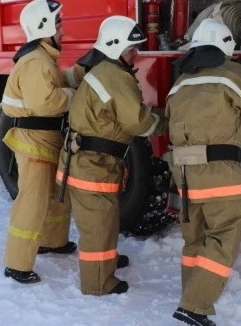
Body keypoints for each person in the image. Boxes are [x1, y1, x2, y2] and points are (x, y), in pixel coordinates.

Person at [166, 19, 241, 325]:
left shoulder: (181, 80)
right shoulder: (233, 73)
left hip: (183, 174)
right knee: (224, 235)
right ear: (226, 47)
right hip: (218, 173)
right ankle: (194, 306)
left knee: (194, 238)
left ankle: (190, 295)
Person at [57, 15, 167, 296]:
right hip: (92, 165)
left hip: (90, 162)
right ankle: (97, 282)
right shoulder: (115, 77)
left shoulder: (105, 70)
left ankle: (105, 262)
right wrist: (165, 120)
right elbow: (139, 122)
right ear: (116, 47)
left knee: (104, 219)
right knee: (97, 226)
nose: (136, 53)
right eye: (132, 49)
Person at [1, 0, 83, 284]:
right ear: (45, 28)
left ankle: (53, 241)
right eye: (59, 26)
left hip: (45, 140)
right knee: (32, 202)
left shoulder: (44, 58)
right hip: (34, 142)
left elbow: (57, 83)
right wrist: (75, 96)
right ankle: (17, 264)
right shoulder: (36, 61)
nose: (63, 31)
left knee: (57, 197)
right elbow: (46, 102)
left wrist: (80, 72)